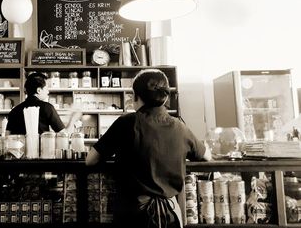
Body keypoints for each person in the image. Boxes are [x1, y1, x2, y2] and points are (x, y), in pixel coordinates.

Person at [86, 68, 211, 228]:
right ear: (164, 97)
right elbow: (206, 156)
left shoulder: (125, 123)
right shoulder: (180, 127)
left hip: (132, 215)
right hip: (170, 216)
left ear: (136, 96)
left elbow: (91, 160)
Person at [6, 72, 81, 135]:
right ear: (39, 90)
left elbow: (7, 136)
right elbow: (64, 135)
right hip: (41, 151)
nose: (48, 92)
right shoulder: (47, 107)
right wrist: (73, 118)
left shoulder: (14, 111)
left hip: (18, 152)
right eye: (46, 88)